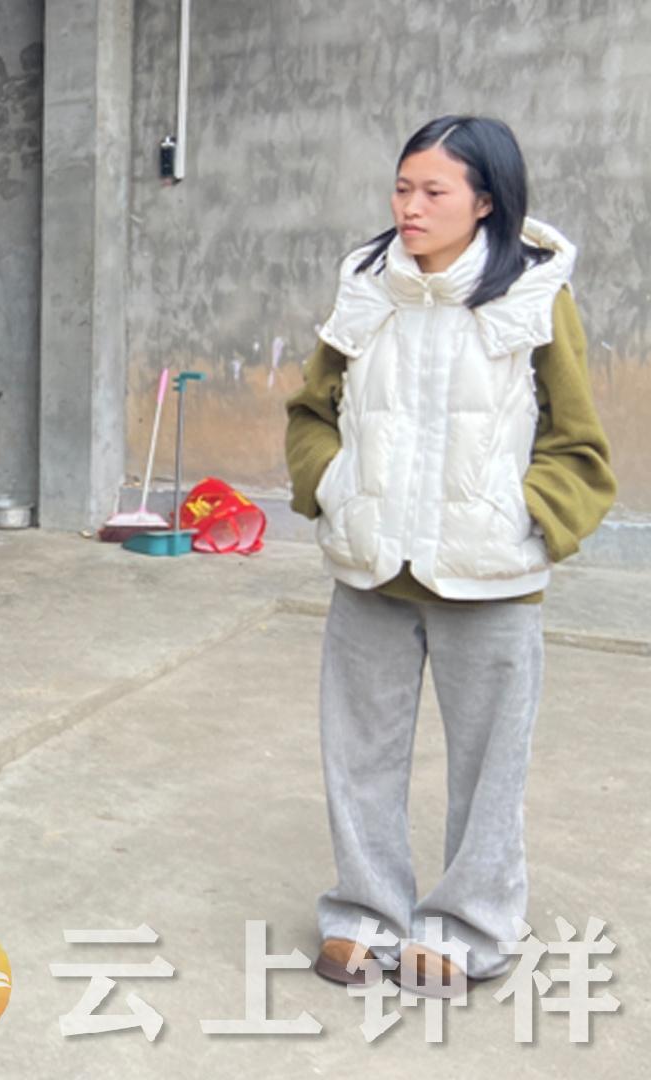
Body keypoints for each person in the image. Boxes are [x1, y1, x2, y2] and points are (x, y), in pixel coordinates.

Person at [285, 116, 614, 996]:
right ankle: (366, 914)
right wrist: (335, 487)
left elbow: (577, 441)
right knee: (358, 753)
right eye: (403, 187)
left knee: (489, 764)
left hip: (489, 576)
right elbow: (313, 411)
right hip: (371, 569)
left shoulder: (537, 295)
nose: (411, 206)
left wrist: (525, 519)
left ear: (486, 201)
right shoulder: (366, 284)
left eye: (434, 191)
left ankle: (470, 925)